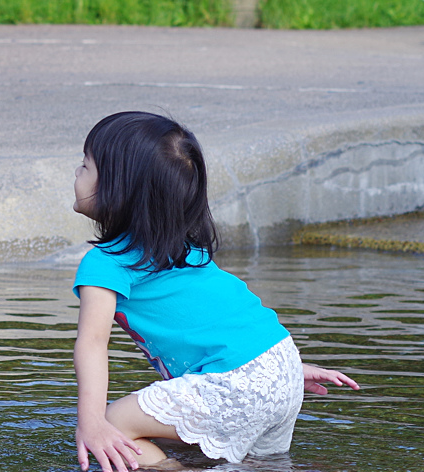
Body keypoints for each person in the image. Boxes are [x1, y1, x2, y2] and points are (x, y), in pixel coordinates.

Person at [71, 111, 359, 471]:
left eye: (85, 165)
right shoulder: (183, 249)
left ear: (118, 188)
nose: (77, 173)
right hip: (280, 362)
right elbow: (224, 317)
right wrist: (283, 369)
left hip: (239, 379)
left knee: (113, 428)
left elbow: (93, 342)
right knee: (253, 464)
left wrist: (91, 422)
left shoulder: (105, 263)